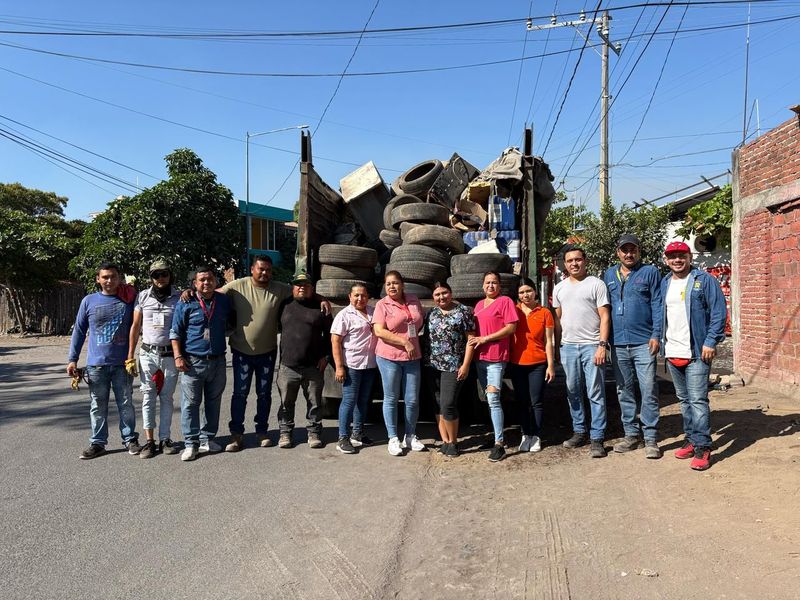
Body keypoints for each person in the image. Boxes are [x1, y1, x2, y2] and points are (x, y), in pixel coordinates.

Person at [660, 241, 727, 471]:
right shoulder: (665, 282)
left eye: (681, 256)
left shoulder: (704, 280)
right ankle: (690, 438)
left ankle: (703, 447)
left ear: (690, 257)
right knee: (684, 400)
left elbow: (719, 311)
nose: (677, 260)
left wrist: (711, 341)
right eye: (672, 256)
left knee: (698, 401)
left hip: (697, 351)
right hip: (673, 351)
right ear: (666, 259)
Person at [67, 262, 139, 459]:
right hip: (96, 365)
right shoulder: (89, 301)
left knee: (126, 403)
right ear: (98, 279)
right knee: (98, 405)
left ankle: (130, 440)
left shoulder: (129, 299)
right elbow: (79, 331)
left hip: (123, 364)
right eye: (105, 277)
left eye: (113, 276)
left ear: (119, 278)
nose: (109, 280)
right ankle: (98, 443)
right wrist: (72, 359)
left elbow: (140, 323)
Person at [602, 234, 664, 459]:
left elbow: (658, 304)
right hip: (617, 343)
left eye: (633, 250)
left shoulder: (650, 272)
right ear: (618, 252)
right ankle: (630, 435)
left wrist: (656, 334)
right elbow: (604, 308)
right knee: (624, 390)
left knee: (648, 390)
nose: (629, 254)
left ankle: (651, 438)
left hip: (643, 342)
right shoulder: (609, 274)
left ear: (639, 252)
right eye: (624, 250)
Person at [553, 246, 611, 459]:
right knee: (573, 391)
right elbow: (558, 322)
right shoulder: (559, 288)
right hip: (568, 347)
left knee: (595, 393)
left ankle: (597, 437)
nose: (574, 264)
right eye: (570, 261)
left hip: (591, 346)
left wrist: (601, 345)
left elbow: (605, 316)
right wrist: (557, 347)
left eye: (578, 259)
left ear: (584, 261)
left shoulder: (596, 284)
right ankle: (580, 431)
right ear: (565, 264)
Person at [170, 266, 233, 462]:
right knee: (190, 404)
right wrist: (178, 356)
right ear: (195, 284)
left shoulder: (223, 301)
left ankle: (208, 438)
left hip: (218, 360)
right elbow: (175, 332)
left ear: (216, 281)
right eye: (202, 280)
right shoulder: (186, 302)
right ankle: (191, 443)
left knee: (213, 402)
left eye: (210, 279)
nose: (206, 283)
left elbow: (230, 324)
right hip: (192, 362)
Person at [127, 259, 181, 459]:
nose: (160, 278)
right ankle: (149, 441)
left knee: (166, 398)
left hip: (170, 355)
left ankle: (165, 439)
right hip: (148, 354)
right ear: (151, 277)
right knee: (148, 397)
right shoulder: (142, 297)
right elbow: (135, 326)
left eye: (164, 274)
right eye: (156, 275)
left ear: (170, 275)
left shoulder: (179, 297)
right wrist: (130, 356)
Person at [276, 272, 332, 449]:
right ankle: (285, 433)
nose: (302, 287)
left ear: (312, 288)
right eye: (298, 284)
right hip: (288, 366)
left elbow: (331, 335)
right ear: (292, 287)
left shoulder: (321, 308)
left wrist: (326, 356)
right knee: (286, 404)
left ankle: (314, 432)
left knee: (315, 404)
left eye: (306, 284)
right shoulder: (283, 305)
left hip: (313, 366)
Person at [468, 271, 518, 462]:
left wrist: (486, 338)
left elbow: (511, 327)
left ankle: (499, 444)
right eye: (488, 283)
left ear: (500, 286)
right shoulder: (479, 305)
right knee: (489, 400)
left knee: (494, 399)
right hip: (480, 358)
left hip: (496, 358)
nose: (491, 286)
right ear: (482, 286)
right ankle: (496, 436)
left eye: (494, 283)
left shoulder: (505, 301)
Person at [373, 270, 426, 456]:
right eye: (388, 284)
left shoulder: (413, 299)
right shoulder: (382, 305)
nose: (392, 287)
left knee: (412, 400)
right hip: (389, 357)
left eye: (395, 283)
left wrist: (409, 341)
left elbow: (418, 322)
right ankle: (393, 438)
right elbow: (379, 331)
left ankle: (410, 436)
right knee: (391, 398)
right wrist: (404, 341)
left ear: (402, 285)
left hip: (412, 357)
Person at [423, 281, 476, 458]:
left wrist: (466, 364)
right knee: (437, 403)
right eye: (437, 295)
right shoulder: (431, 313)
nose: (441, 297)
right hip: (431, 365)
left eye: (444, 293)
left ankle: (454, 442)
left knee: (448, 404)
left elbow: (471, 340)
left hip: (453, 366)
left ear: (451, 293)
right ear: (433, 298)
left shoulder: (463, 312)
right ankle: (445, 440)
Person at [330, 283, 378, 454]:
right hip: (352, 365)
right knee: (349, 401)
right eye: (356, 295)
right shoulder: (344, 315)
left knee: (363, 401)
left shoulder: (373, 311)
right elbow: (335, 341)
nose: (360, 298)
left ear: (368, 297)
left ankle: (357, 434)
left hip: (370, 364)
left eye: (363, 295)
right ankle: (343, 437)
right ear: (349, 296)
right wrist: (339, 367)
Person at [510, 277, 555, 454]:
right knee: (521, 401)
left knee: (536, 402)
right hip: (517, 363)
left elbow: (549, 341)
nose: (525, 295)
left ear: (535, 291)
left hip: (538, 363)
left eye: (528, 291)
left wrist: (551, 365)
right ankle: (525, 434)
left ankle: (536, 435)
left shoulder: (544, 312)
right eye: (521, 292)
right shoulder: (513, 311)